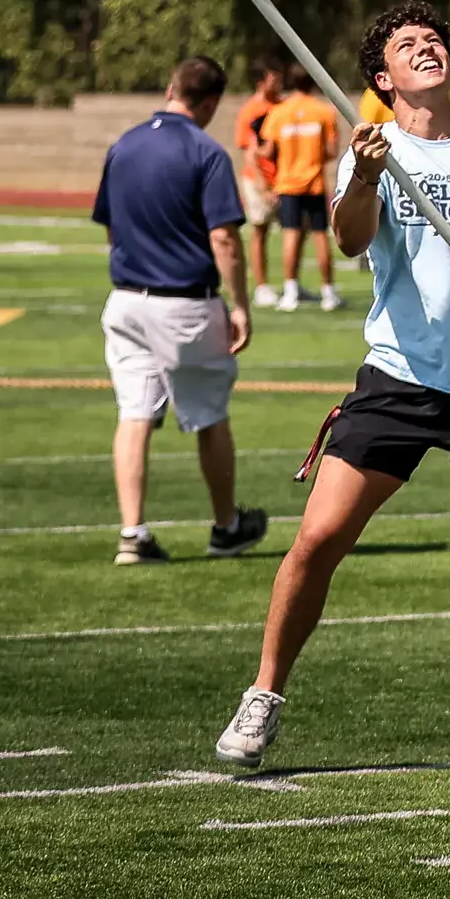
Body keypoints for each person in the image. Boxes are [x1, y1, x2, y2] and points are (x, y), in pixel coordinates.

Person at [214, 0, 450, 777]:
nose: (427, 48)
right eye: (409, 45)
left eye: (434, 39)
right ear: (384, 77)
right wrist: (367, 177)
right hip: (398, 381)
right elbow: (347, 241)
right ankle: (264, 695)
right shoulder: (371, 152)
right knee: (317, 540)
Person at [92, 57, 268, 566]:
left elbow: (110, 226)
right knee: (210, 417)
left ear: (171, 88)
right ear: (211, 102)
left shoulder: (123, 143)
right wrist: (240, 306)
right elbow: (224, 238)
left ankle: (132, 532)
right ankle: (225, 527)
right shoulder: (206, 152)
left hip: (125, 300)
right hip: (184, 304)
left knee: (133, 414)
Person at [262, 64, 342, 311]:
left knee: (290, 234)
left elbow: (268, 150)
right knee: (320, 236)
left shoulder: (279, 112)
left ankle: (290, 290)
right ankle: (328, 292)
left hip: (287, 183)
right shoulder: (324, 112)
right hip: (315, 183)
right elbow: (331, 151)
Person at [231, 60, 284, 304]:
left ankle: (291, 284)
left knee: (295, 230)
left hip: (284, 179)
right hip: (259, 179)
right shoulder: (251, 110)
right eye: (274, 79)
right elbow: (250, 152)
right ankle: (262, 286)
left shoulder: (284, 107)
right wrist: (263, 186)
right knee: (260, 230)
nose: (279, 83)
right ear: (261, 82)